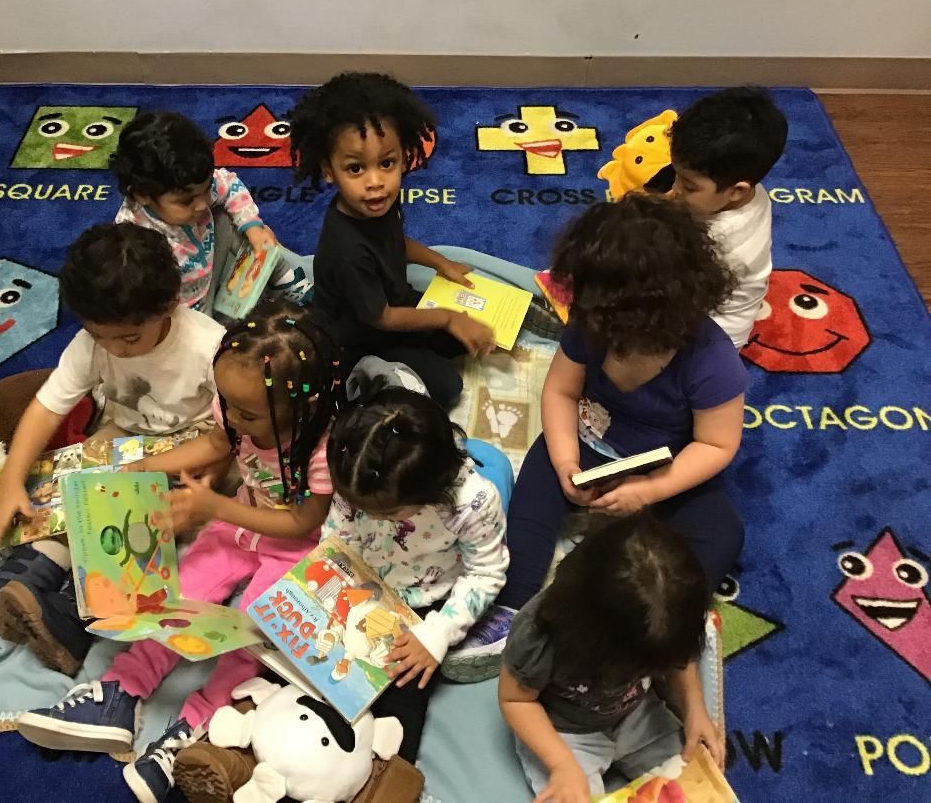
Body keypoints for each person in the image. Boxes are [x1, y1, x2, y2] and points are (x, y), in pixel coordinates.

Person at [14, 302, 344, 803]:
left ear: (304, 407)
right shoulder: (237, 409)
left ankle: (196, 729)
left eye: (248, 414)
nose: (234, 418)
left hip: (298, 548)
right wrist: (148, 466)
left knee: (256, 634)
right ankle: (119, 693)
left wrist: (216, 508)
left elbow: (303, 522)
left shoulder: (322, 450)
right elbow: (217, 443)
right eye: (228, 404)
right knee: (174, 598)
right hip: (240, 521)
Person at [457, 195, 748, 676]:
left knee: (722, 533)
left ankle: (657, 627)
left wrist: (649, 490)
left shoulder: (711, 360)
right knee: (532, 501)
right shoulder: (591, 324)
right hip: (588, 446)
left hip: (666, 467)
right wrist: (565, 462)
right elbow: (560, 392)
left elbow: (717, 445)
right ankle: (511, 607)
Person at [0, 222, 225, 676]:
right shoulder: (93, 343)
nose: (115, 350)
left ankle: (74, 617)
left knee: (131, 514)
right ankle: (22, 579)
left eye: (129, 338)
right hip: (128, 433)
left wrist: (161, 470)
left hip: (197, 444)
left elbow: (230, 437)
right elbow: (47, 407)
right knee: (72, 488)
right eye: (100, 335)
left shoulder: (208, 346)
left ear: (170, 305)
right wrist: (10, 484)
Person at [319, 387, 509, 762]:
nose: (369, 517)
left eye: (387, 514)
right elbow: (337, 538)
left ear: (432, 491)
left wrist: (438, 633)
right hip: (361, 585)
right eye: (357, 506)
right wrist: (331, 584)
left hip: (428, 600)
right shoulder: (354, 472)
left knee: (401, 700)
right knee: (307, 672)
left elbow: (486, 572)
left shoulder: (471, 503)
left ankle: (387, 777)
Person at [289, 71, 495, 407]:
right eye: (355, 168)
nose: (375, 182)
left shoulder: (378, 203)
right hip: (361, 339)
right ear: (328, 170)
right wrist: (446, 317)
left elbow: (395, 241)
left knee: (470, 331)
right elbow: (382, 318)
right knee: (447, 386)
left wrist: (442, 264)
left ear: (404, 157)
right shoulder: (346, 250)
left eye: (387, 163)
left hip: (395, 302)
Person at [499, 513, 723, 802]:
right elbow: (515, 700)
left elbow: (681, 656)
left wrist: (694, 709)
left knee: (696, 781)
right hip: (565, 734)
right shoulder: (539, 633)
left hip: (637, 715)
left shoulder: (671, 620)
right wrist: (562, 765)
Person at [112, 111, 277, 311]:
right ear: (142, 195)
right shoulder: (133, 241)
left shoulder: (191, 188)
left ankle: (288, 279)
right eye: (187, 201)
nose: (202, 205)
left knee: (255, 235)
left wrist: (252, 225)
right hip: (185, 309)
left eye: (206, 190)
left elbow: (229, 184)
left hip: (210, 271)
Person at [669, 86, 789, 348]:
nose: (675, 189)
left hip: (711, 338)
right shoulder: (748, 192)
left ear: (737, 191)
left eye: (688, 186)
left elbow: (663, 288)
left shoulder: (715, 245)